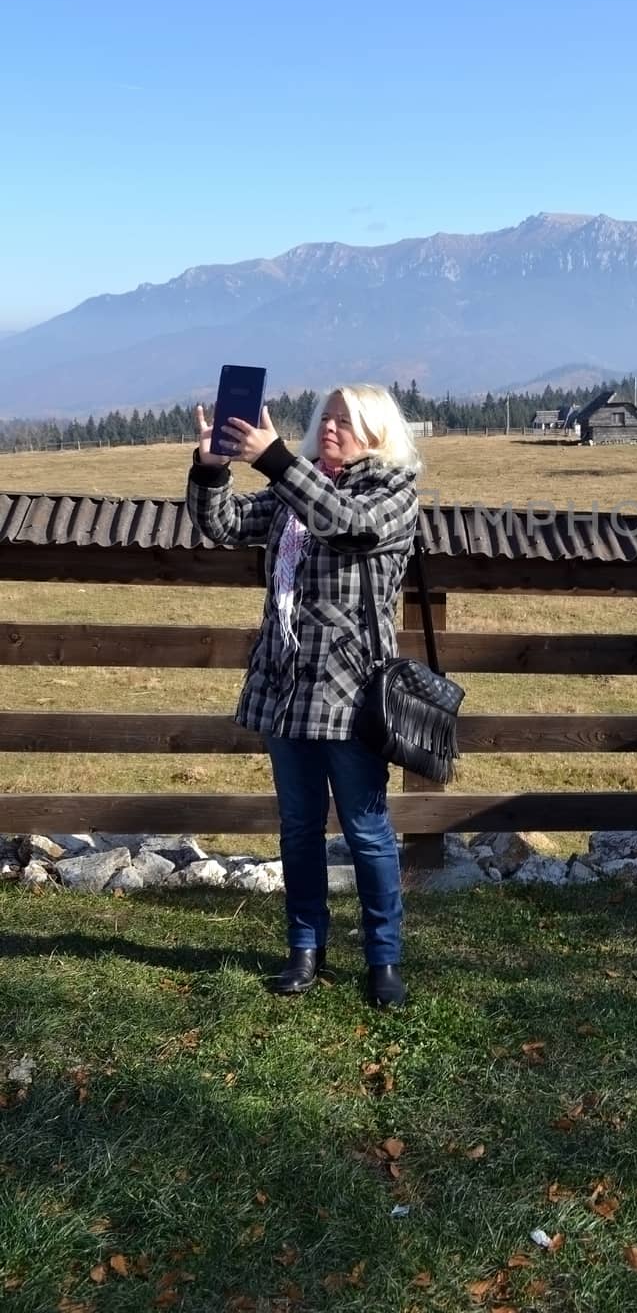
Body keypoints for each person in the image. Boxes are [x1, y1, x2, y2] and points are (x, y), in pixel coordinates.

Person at [186, 383, 421, 1006]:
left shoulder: (391, 490)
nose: (332, 429)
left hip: (350, 688)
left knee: (367, 831)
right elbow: (228, 525)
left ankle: (384, 960)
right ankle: (305, 949)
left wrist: (275, 460)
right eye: (327, 419)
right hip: (285, 684)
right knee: (297, 827)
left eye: (347, 421)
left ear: (376, 431)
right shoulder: (298, 486)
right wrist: (210, 470)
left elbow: (350, 527)